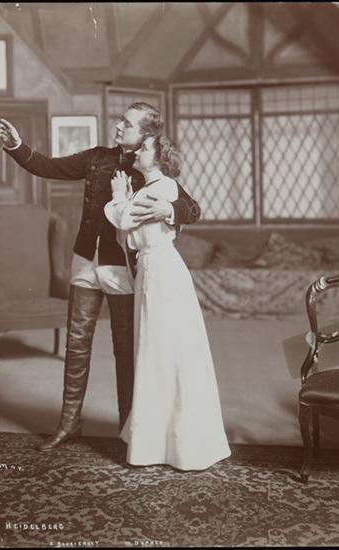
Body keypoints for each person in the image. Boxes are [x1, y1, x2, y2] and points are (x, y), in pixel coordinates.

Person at [0, 102, 202, 452]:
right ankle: (69, 423)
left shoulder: (150, 167)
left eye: (127, 123)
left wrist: (169, 209)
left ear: (146, 134)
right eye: (121, 120)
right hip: (84, 263)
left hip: (122, 269)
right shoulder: (96, 157)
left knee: (125, 350)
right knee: (76, 344)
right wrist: (17, 146)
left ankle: (129, 429)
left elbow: (192, 208)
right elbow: (49, 166)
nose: (119, 126)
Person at [104, 134, 230, 470]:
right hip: (151, 268)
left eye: (145, 148)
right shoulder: (148, 188)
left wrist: (118, 196)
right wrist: (126, 198)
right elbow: (126, 234)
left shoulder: (163, 187)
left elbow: (125, 220)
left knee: (166, 352)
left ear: (160, 158)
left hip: (162, 271)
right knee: (156, 353)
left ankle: (181, 445)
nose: (138, 152)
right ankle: (158, 443)